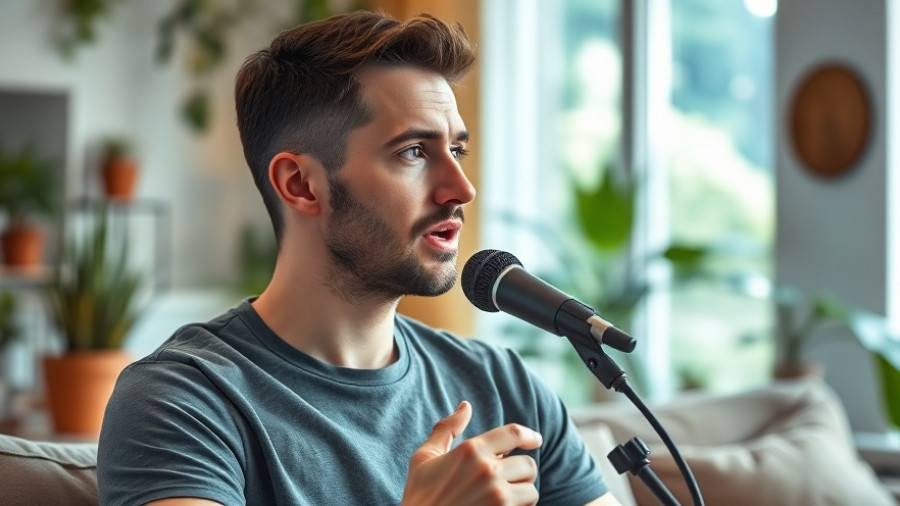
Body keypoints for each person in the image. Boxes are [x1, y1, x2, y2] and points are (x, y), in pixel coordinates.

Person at [98, 10, 621, 506]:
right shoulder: (183, 399)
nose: (461, 189)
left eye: (456, 151)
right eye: (413, 152)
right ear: (301, 184)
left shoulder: (503, 384)